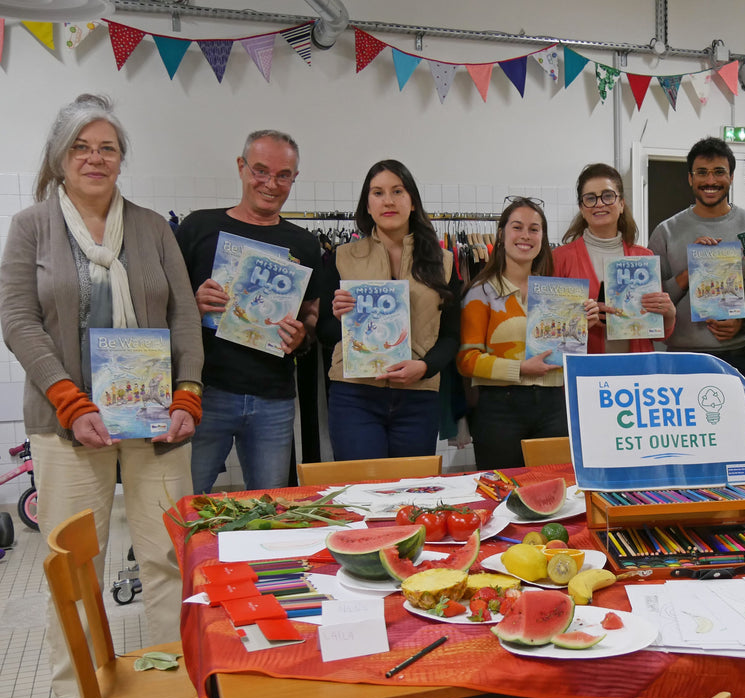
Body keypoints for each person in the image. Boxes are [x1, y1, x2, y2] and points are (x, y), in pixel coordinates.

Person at [0, 94, 203, 698]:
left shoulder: (150, 226)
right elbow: (17, 319)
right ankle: (74, 684)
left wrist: (189, 390)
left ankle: (176, 666)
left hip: (156, 420)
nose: (95, 158)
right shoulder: (31, 227)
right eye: (82, 147)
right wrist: (69, 398)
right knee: (74, 559)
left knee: (168, 551)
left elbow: (184, 316)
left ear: (121, 159)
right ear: (60, 158)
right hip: (68, 422)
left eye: (107, 147)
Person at [176, 130, 320, 493]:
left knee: (269, 507)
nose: (271, 183)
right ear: (241, 168)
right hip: (205, 391)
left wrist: (303, 333)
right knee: (184, 503)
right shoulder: (198, 228)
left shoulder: (304, 243)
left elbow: (311, 316)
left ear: (294, 178)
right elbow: (161, 306)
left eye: (283, 174)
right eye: (260, 170)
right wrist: (193, 303)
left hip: (273, 397)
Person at [319, 159, 460, 460]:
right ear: (367, 205)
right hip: (354, 394)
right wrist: (337, 316)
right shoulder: (342, 258)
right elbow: (324, 331)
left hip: (418, 397)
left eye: (398, 191)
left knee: (410, 494)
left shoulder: (443, 261)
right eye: (378, 193)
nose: (388, 201)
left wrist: (425, 367)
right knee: (362, 493)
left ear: (412, 202)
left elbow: (451, 335)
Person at [459, 197, 598, 470]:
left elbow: (565, 353)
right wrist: (520, 368)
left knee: (557, 490)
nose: (525, 235)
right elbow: (467, 360)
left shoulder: (559, 294)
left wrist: (582, 326)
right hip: (499, 409)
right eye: (517, 227)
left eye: (534, 229)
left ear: (543, 237)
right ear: (502, 235)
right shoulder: (481, 292)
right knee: (504, 492)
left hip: (554, 405)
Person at [650, 137, 745, 388]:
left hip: (738, 354)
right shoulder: (666, 232)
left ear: (732, 176)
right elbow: (652, 301)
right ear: (690, 178)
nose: (710, 181)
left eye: (719, 172)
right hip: (682, 357)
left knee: (738, 428)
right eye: (701, 173)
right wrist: (689, 274)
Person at [554, 162, 675, 352]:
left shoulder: (644, 258)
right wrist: (579, 320)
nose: (600, 203)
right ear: (582, 208)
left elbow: (657, 333)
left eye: (608, 196)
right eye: (590, 198)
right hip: (586, 373)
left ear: (621, 203)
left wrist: (668, 313)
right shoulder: (560, 259)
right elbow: (548, 332)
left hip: (637, 373)